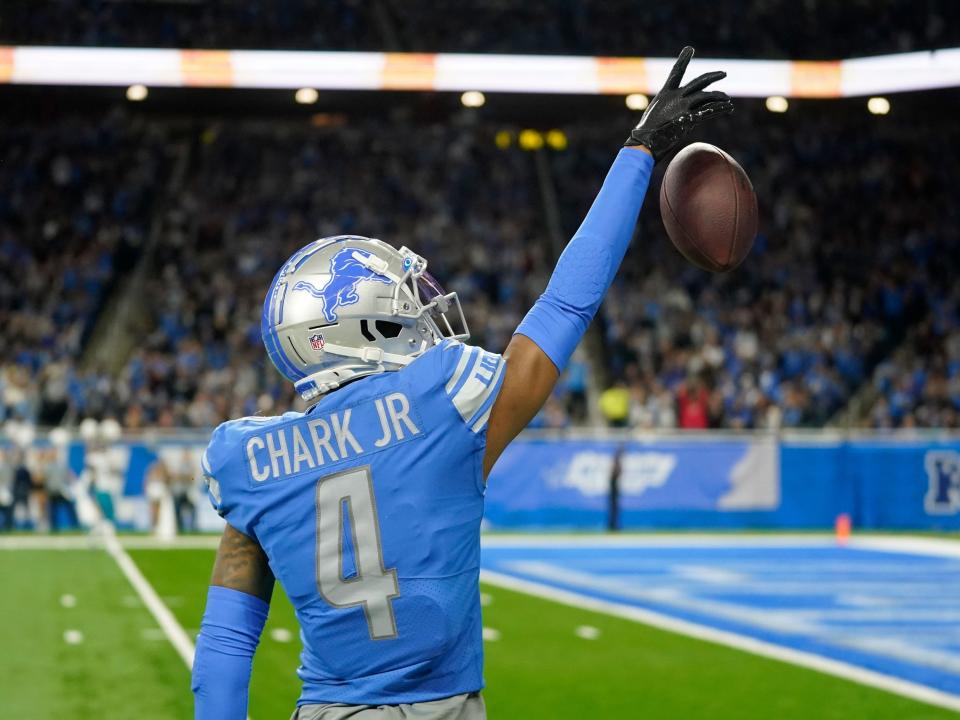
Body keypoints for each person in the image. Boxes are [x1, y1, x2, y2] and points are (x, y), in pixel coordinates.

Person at [191, 47, 732, 720]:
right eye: (401, 301)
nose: (422, 308)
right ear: (364, 328)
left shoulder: (251, 461)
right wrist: (639, 151)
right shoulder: (445, 404)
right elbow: (563, 309)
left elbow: (225, 643)